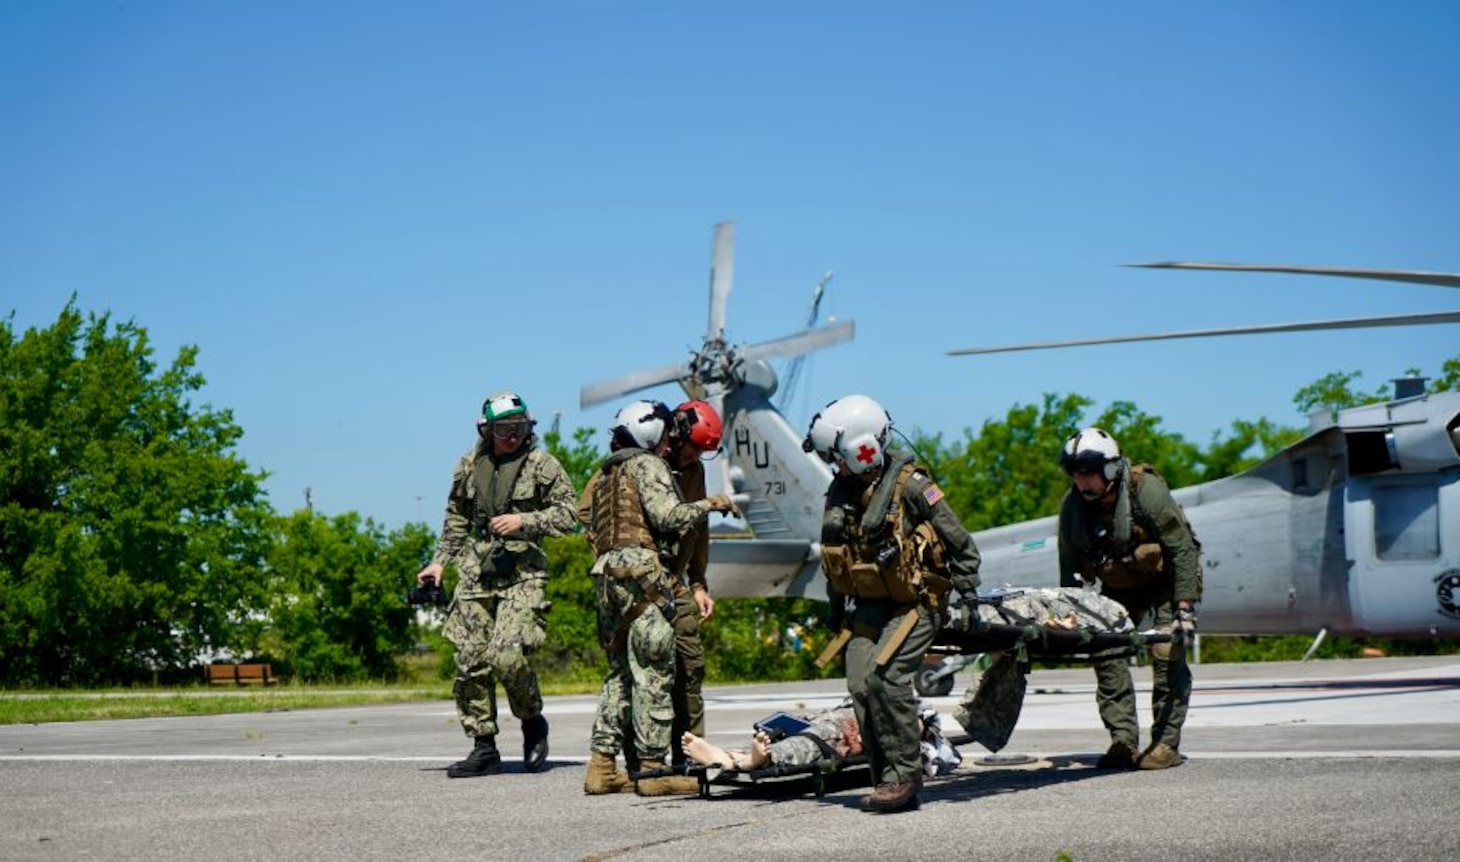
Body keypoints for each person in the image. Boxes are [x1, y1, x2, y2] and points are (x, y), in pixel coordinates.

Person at [803, 394, 981, 813]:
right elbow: (836, 559)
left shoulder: (914, 487)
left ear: (860, 449)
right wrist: (835, 611)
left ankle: (905, 775)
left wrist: (968, 594)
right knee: (860, 683)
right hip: (869, 604)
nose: (836, 467)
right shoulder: (843, 492)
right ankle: (884, 777)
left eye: (838, 458)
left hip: (917, 601)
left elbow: (962, 546)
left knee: (887, 676)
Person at [415, 391, 577, 778]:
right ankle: (483, 746)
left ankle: (532, 720)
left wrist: (527, 522)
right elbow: (456, 517)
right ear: (486, 429)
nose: (512, 436)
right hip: (476, 571)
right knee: (470, 660)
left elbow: (571, 513)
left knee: (505, 656)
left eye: (519, 428)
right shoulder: (469, 466)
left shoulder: (542, 465)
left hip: (523, 572)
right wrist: (439, 563)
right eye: (504, 429)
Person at [581, 399, 737, 796]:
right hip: (644, 578)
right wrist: (711, 504)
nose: (671, 444)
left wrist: (696, 582)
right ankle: (652, 771)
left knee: (619, 674)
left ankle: (601, 766)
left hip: (607, 577)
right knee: (654, 670)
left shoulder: (608, 471)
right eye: (666, 437)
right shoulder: (649, 465)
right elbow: (670, 517)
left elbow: (586, 517)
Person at [1056, 427, 1202, 770]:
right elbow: (1069, 568)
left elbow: (1181, 548)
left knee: (1168, 651)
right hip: (1120, 584)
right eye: (1076, 473)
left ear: (1109, 468)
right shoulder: (1073, 509)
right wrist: (1072, 616)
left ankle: (1165, 744)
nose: (1082, 482)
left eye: (1088, 472)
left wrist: (1184, 607)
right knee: (1105, 649)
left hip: (1167, 579)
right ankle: (1122, 741)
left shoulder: (1145, 490)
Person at [663, 399, 724, 766]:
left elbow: (699, 530)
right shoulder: (641, 465)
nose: (694, 456)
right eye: (694, 448)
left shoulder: (694, 471)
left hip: (675, 582)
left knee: (690, 666)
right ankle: (644, 760)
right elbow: (589, 514)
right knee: (648, 674)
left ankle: (690, 755)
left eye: (702, 452)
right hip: (637, 585)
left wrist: (699, 583)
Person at [681, 699, 959, 778]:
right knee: (779, 733)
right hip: (833, 717)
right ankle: (729, 757)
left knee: (808, 743)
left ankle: (755, 760)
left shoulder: (918, 714)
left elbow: (935, 752)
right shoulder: (874, 689)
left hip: (844, 730)